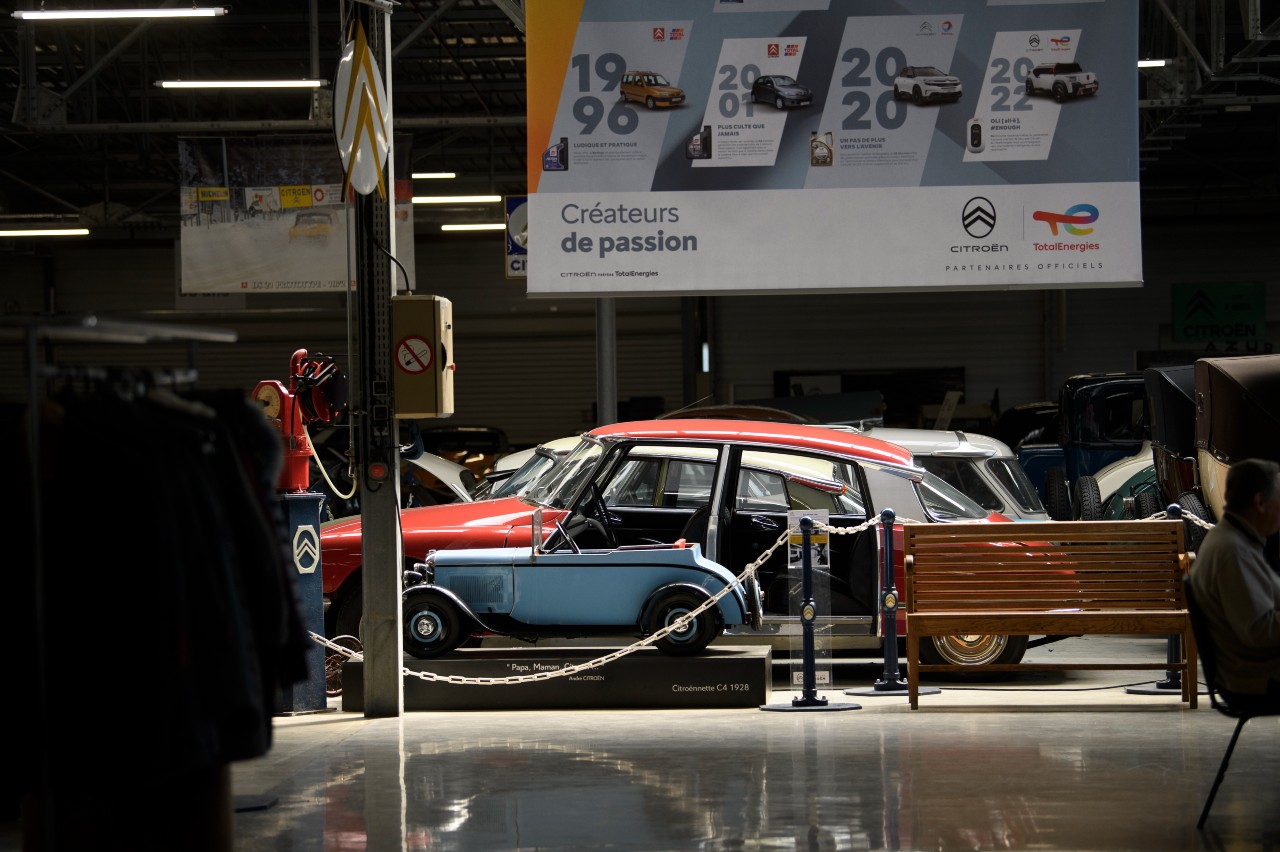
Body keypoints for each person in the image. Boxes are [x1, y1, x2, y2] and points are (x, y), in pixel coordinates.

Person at [1187, 457, 1280, 697]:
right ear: (1260, 502)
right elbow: (1259, 631)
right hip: (1255, 678)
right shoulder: (1232, 551)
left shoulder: (1235, 539)